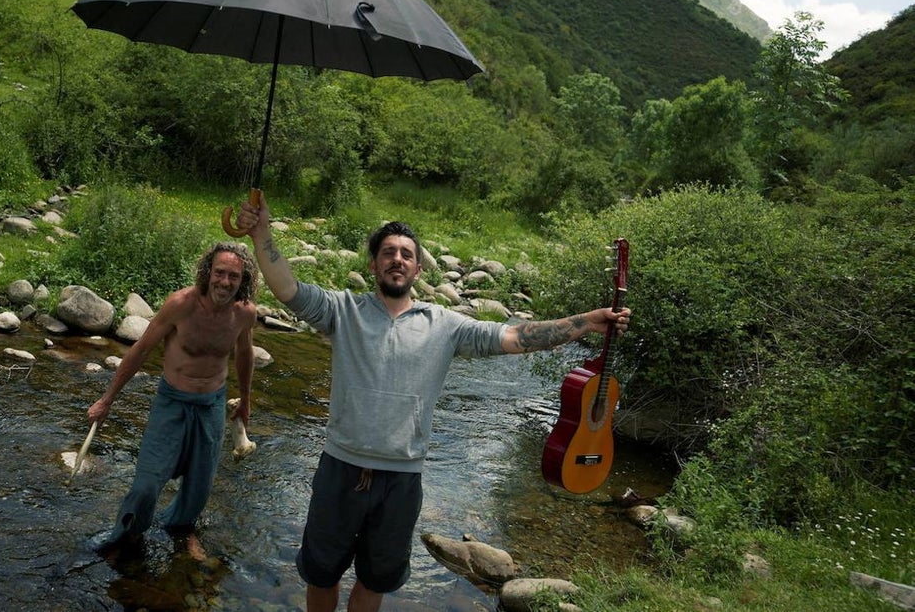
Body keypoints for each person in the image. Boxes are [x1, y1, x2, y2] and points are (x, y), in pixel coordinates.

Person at [235, 193, 630, 612]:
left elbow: (516, 337)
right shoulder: (342, 310)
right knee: (321, 572)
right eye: (388, 252)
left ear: (418, 269)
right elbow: (287, 288)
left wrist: (586, 321)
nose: (397, 259)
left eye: (407, 254)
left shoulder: (445, 325)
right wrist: (260, 232)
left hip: (402, 480)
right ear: (373, 265)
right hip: (340, 467)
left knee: (376, 579)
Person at [87, 242, 258, 561]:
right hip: (172, 403)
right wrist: (107, 399)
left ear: (243, 280)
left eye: (233, 276)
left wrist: (246, 401)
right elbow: (141, 349)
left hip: (211, 405)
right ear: (208, 272)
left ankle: (181, 529)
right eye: (219, 273)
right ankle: (127, 534)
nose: (225, 282)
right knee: (146, 484)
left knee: (199, 485)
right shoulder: (181, 304)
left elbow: (245, 355)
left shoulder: (244, 313)